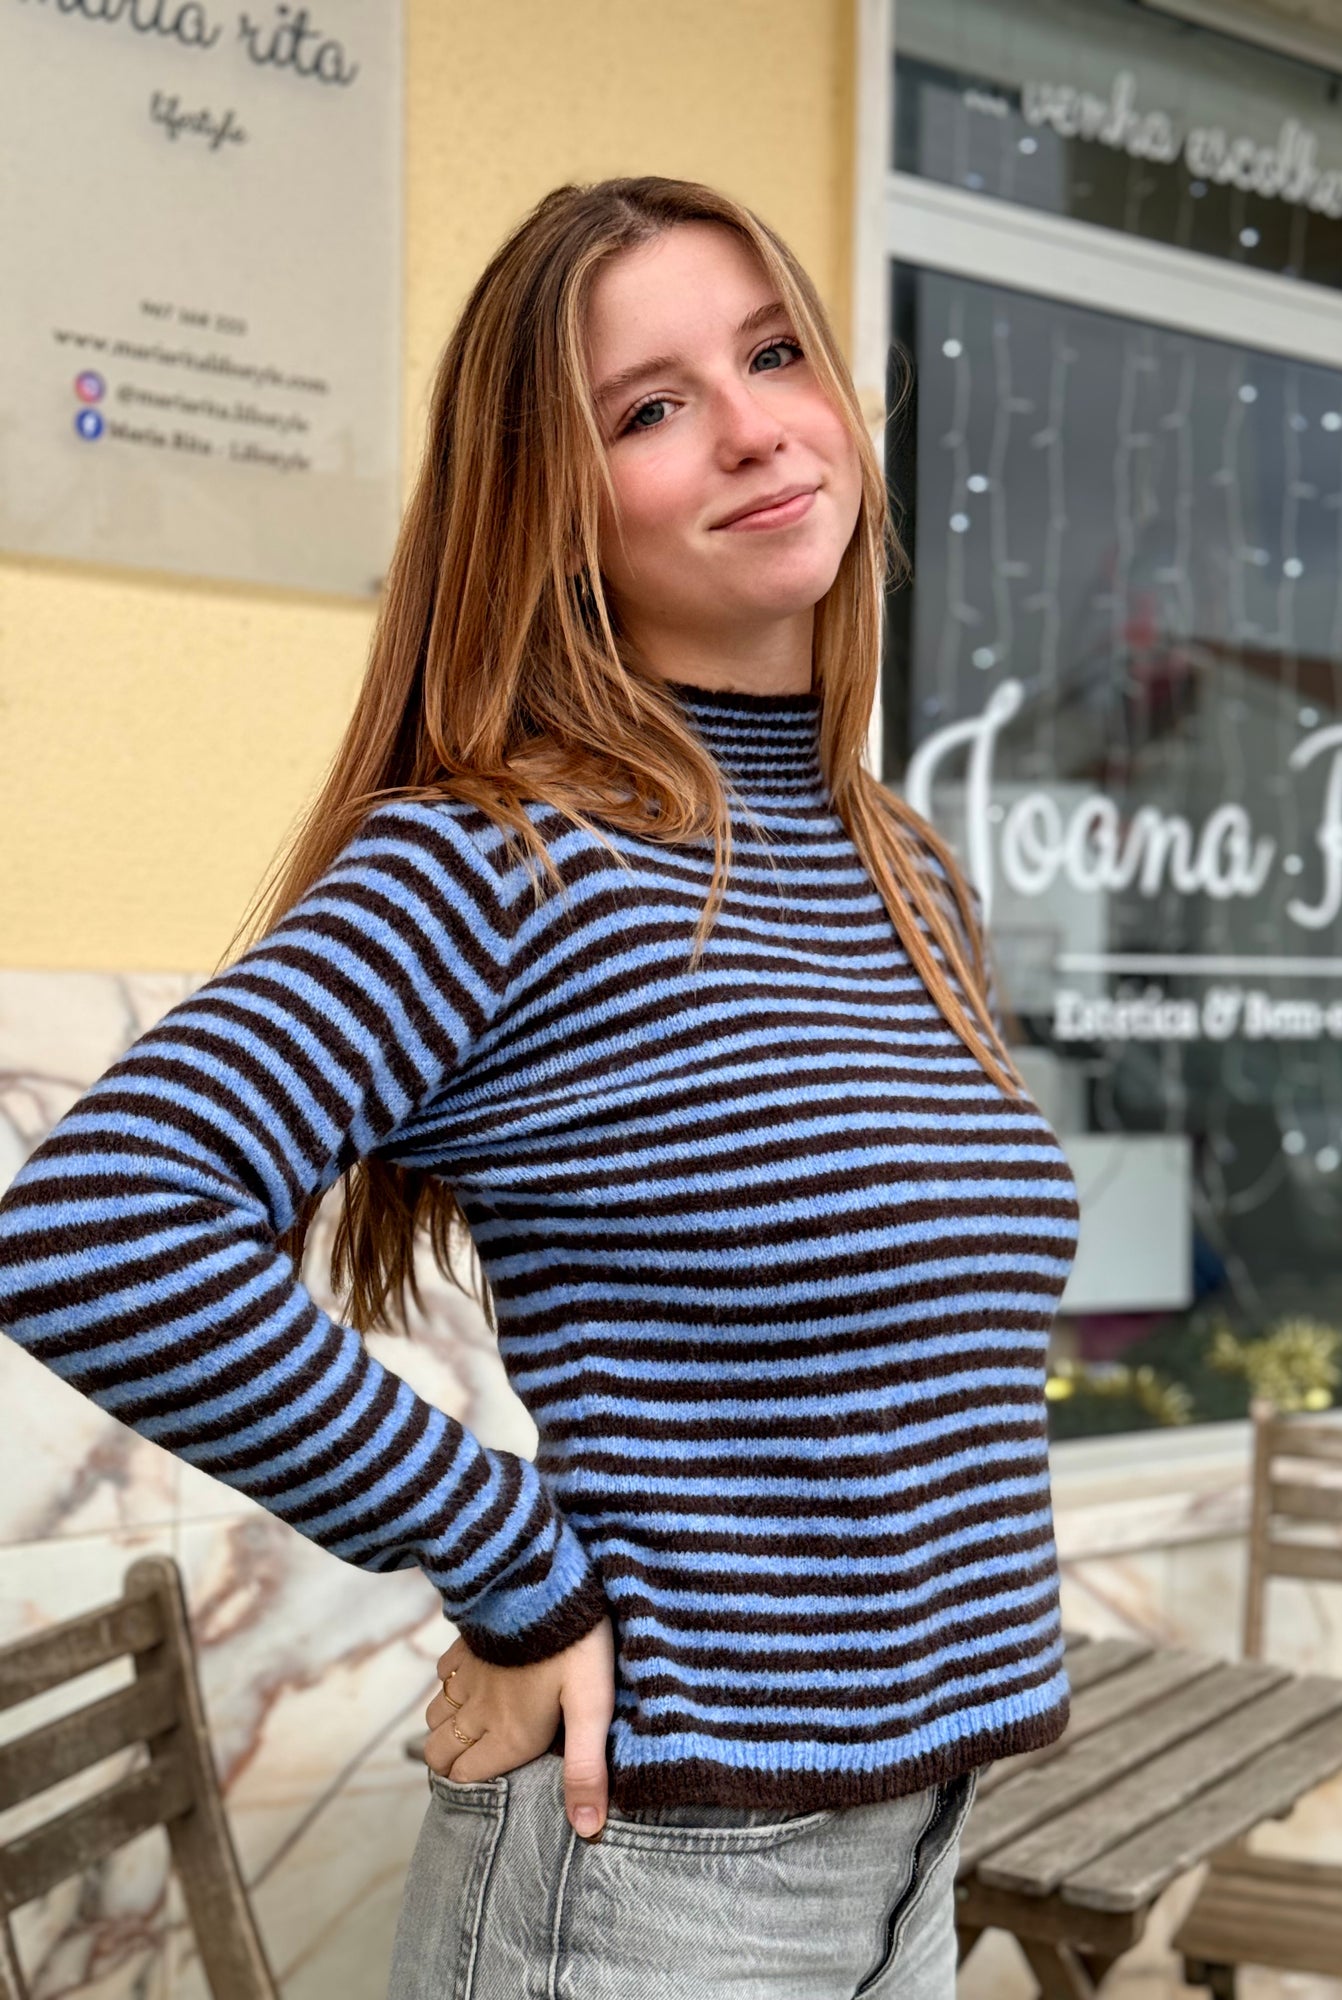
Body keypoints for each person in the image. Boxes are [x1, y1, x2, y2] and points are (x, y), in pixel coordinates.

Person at [0, 176, 1080, 1998]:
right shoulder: (505, 861)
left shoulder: (903, 869)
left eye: (775, 355)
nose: (752, 428)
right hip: (656, 1887)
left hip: (913, 1863)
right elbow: (98, 1230)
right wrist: (516, 1562)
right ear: (554, 507)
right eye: (649, 407)